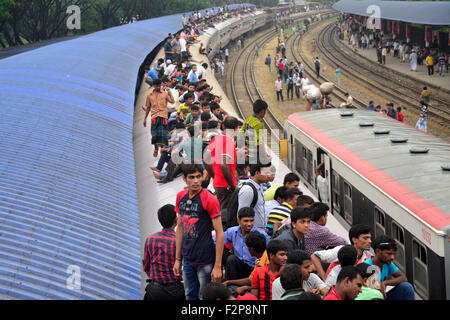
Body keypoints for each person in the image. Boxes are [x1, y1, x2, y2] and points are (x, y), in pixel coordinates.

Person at [173, 164, 224, 300]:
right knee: (189, 294)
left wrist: (217, 266)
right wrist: (178, 259)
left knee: (205, 297)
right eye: (191, 177)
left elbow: (219, 233)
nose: (195, 181)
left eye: (198, 177)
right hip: (188, 259)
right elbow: (180, 228)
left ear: (203, 177)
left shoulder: (210, 199)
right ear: (184, 178)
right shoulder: (180, 197)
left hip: (205, 260)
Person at [143, 204, 185, 300]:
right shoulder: (180, 241)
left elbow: (146, 267)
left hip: (154, 291)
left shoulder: (150, 239)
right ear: (176, 220)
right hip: (176, 291)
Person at [223, 207, 270, 281]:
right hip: (237, 266)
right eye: (246, 221)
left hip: (254, 268)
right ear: (239, 221)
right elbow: (217, 240)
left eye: (251, 221)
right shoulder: (232, 231)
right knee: (230, 258)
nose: (249, 224)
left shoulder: (261, 235)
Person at [204, 116, 240, 211]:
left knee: (220, 210)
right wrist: (231, 184)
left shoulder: (217, 138)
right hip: (226, 186)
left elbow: (206, 159)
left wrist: (214, 176)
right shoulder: (228, 141)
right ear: (236, 128)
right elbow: (224, 165)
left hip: (218, 183)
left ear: (223, 127)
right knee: (226, 214)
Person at [364, 235, 415, 300]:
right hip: (373, 298)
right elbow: (374, 294)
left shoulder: (387, 263)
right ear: (378, 251)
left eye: (393, 254)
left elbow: (403, 278)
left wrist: (385, 283)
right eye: (389, 254)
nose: (392, 257)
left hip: (382, 297)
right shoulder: (368, 267)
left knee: (407, 287)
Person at [143, 79, 175, 158]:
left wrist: (169, 92)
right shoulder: (149, 96)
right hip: (154, 116)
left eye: (159, 85)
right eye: (156, 85)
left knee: (163, 135)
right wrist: (145, 118)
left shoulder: (164, 94)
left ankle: (163, 150)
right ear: (153, 86)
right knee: (154, 135)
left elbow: (172, 101)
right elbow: (148, 107)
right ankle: (156, 148)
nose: (157, 87)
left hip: (163, 116)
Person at [237, 162, 272, 230]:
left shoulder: (260, 186)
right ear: (257, 173)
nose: (269, 175)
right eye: (266, 173)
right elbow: (241, 216)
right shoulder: (248, 190)